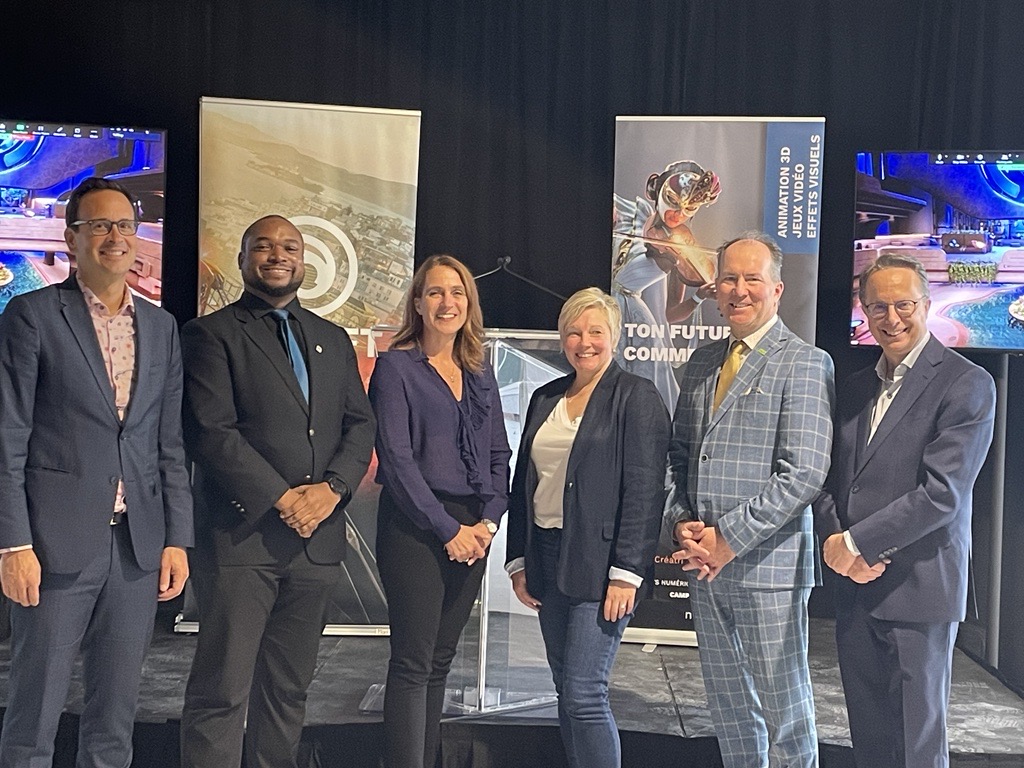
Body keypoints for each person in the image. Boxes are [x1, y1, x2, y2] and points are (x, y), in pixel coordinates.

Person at [0, 177, 193, 767]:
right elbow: (8, 436)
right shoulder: (32, 315)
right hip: (53, 545)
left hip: (136, 547)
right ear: (72, 237)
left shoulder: (160, 326)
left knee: (115, 719)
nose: (116, 236)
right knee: (34, 715)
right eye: (100, 225)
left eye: (125, 225)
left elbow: (167, 442)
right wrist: (13, 543)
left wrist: (176, 538)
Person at [178, 215, 375, 768]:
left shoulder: (332, 339)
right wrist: (284, 498)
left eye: (289, 246)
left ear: (304, 260)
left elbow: (360, 425)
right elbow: (211, 431)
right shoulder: (210, 334)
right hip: (241, 541)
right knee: (221, 691)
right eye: (263, 246)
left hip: (316, 545)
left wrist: (333, 490)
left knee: (288, 692)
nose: (277, 255)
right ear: (244, 260)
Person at [814, 253, 996, 768]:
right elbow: (828, 480)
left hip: (920, 589)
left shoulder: (966, 382)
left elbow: (942, 493)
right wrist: (836, 543)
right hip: (855, 589)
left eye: (903, 305)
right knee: (870, 740)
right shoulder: (853, 387)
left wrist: (856, 544)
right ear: (864, 311)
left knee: (918, 745)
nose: (890, 318)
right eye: (878, 307)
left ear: (926, 304)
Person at [668, 232, 834, 768]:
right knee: (730, 709)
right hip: (703, 564)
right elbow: (678, 456)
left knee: (785, 712)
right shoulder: (700, 363)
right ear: (715, 289)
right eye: (728, 279)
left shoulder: (805, 363)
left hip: (769, 567)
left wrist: (728, 538)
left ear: (777, 289)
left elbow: (804, 473)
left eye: (752, 279)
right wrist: (681, 524)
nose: (739, 290)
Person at [505, 287, 670, 768]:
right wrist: (518, 559)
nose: (584, 342)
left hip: (602, 568)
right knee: (565, 689)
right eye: (574, 332)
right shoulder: (545, 397)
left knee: (584, 692)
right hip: (546, 555)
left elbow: (645, 491)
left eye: (596, 331)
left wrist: (627, 573)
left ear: (614, 337)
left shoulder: (636, 397)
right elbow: (524, 482)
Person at [368, 254, 510, 768]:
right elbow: (397, 460)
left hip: (474, 530)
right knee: (412, 662)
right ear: (418, 302)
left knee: (440, 661)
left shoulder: (480, 370)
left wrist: (487, 523)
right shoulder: (396, 368)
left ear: (469, 303)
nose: (447, 302)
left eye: (457, 292)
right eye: (435, 292)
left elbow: (499, 453)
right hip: (415, 526)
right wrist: (448, 529)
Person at [612, 160, 723, 408]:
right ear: (657, 188)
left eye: (689, 209)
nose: (678, 214)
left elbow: (670, 314)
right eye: (672, 200)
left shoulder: (679, 246)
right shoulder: (631, 215)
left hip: (634, 318)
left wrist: (699, 297)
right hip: (606, 307)